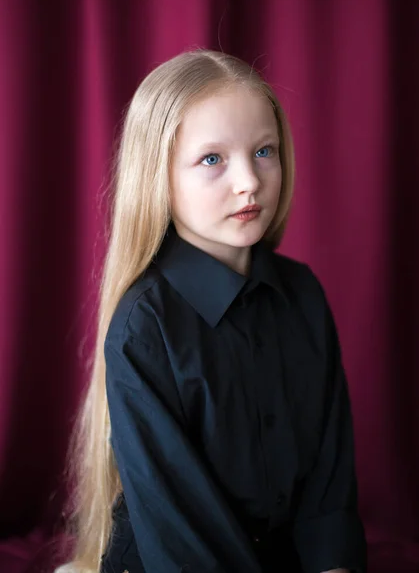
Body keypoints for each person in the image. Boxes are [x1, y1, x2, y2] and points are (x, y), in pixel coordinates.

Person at [57, 49, 367, 573]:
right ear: (159, 177)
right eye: (212, 159)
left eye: (264, 151)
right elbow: (179, 527)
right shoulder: (144, 326)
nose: (249, 180)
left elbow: (328, 476)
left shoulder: (304, 295)